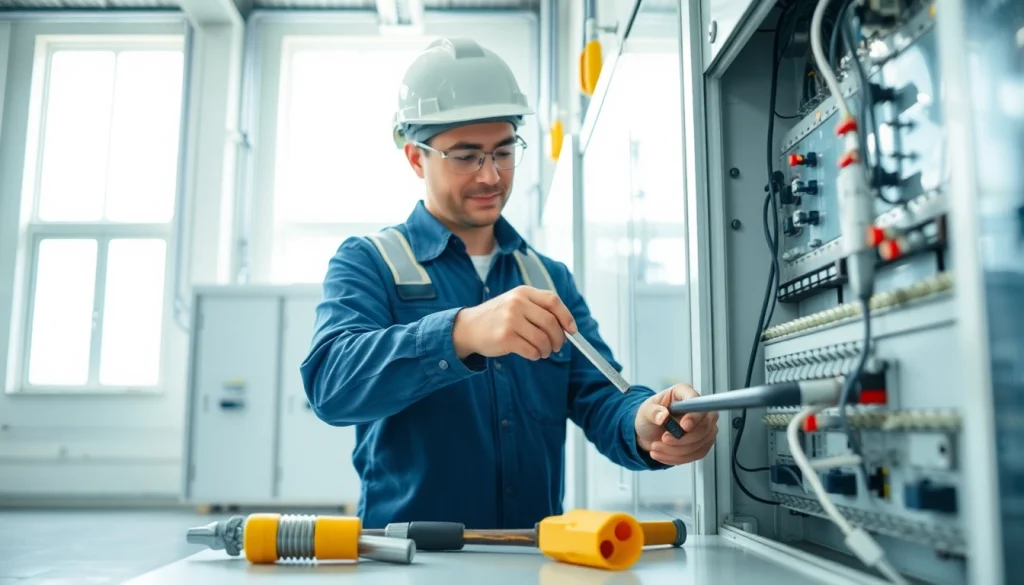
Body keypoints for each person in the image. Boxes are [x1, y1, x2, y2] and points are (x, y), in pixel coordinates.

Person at [300, 37, 718, 530]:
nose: (491, 175)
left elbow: (601, 396)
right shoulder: (370, 262)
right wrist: (462, 333)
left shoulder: (547, 277)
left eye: (503, 151)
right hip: (411, 562)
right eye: (466, 156)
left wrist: (646, 425)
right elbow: (330, 386)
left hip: (531, 557)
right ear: (416, 159)